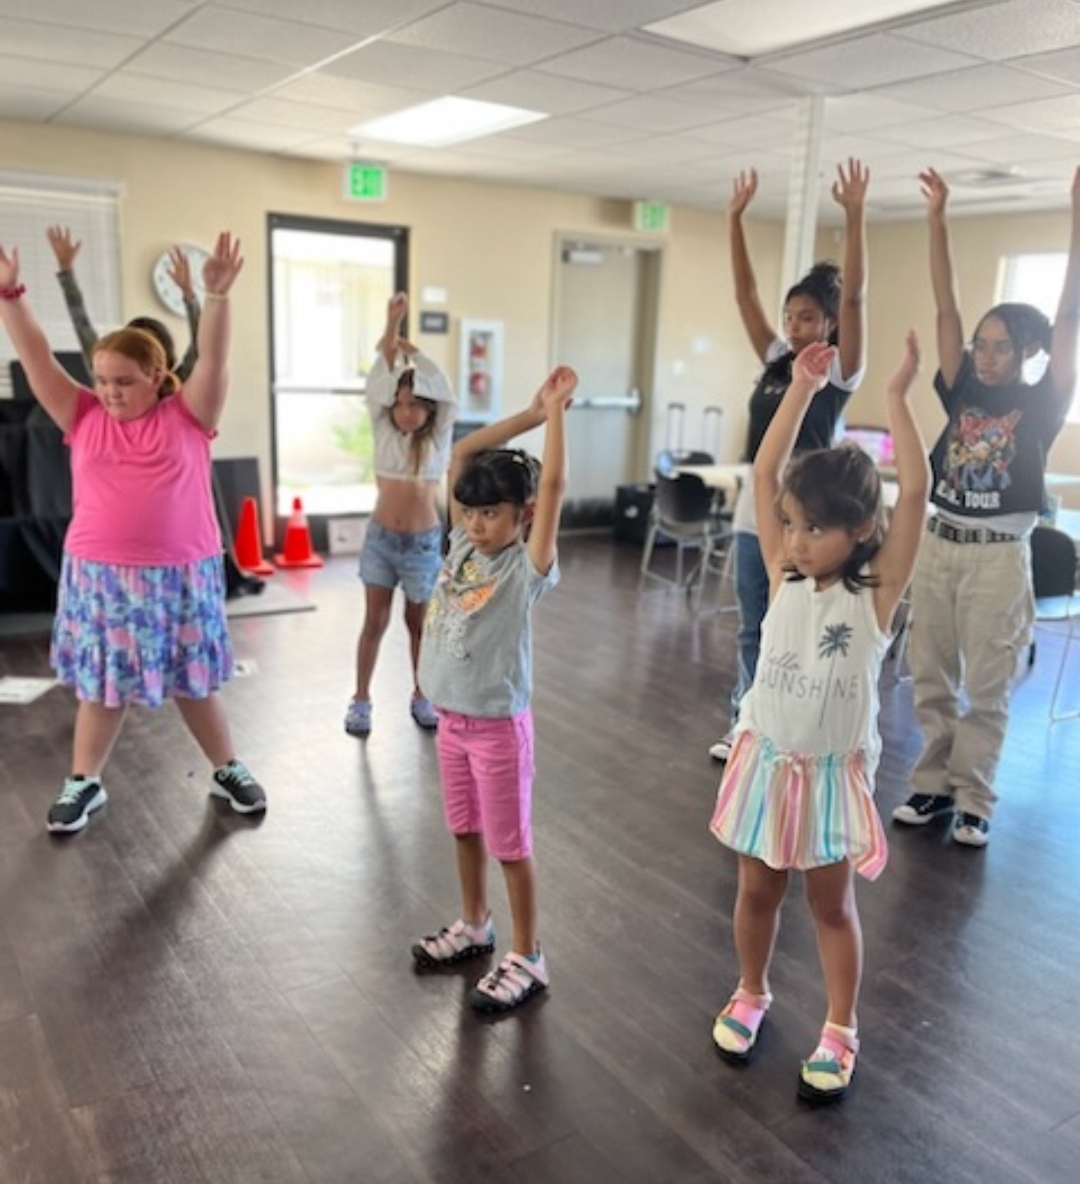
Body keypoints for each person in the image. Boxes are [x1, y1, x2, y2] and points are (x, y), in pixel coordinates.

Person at [709, 335, 930, 1102]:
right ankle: (751, 990)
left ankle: (841, 1027)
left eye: (812, 528)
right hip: (767, 761)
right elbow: (766, 472)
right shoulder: (783, 574)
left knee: (832, 906)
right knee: (756, 894)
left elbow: (919, 495)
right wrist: (801, 390)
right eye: (790, 526)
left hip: (830, 777)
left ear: (861, 527)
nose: (796, 542)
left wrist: (898, 398)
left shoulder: (874, 597)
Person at [0, 231, 267, 833]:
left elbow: (215, 359)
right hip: (101, 573)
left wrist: (217, 298)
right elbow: (39, 357)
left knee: (193, 683)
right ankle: (84, 781)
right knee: (104, 687)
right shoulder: (82, 415)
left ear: (156, 375)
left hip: (181, 570)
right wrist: (10, 294)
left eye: (122, 380)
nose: (109, 391)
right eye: (100, 379)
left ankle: (227, 768)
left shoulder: (191, 415)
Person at [892, 167, 1080, 847]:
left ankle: (975, 800)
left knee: (988, 687)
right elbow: (946, 305)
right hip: (940, 546)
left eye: (1002, 345)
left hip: (999, 557)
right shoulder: (963, 388)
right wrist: (938, 217)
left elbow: (1069, 317)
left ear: (1026, 352)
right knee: (929, 674)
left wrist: (1075, 215)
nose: (988, 354)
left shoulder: (1042, 400)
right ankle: (932, 786)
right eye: (982, 343)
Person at [410, 365, 577, 1013]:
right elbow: (461, 455)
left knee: (510, 845)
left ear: (524, 515)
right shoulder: (460, 544)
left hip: (498, 729)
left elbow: (555, 483)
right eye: (472, 512)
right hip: (452, 722)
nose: (477, 523)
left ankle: (529, 955)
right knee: (463, 831)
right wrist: (530, 413)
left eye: (491, 514)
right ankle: (476, 925)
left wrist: (558, 413)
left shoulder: (523, 567)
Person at [710, 160, 869, 763]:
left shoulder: (838, 372)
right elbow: (744, 295)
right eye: (791, 317)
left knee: (793, 631)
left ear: (828, 322)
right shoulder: (780, 361)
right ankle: (746, 720)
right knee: (753, 626)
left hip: (809, 521)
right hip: (758, 515)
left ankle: (793, 724)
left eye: (808, 318)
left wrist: (853, 214)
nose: (796, 328)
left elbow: (855, 293)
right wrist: (734, 219)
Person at [344, 292, 456, 738]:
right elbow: (376, 385)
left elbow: (444, 390)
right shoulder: (385, 432)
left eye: (416, 404)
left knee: (418, 624)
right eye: (401, 403)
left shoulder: (437, 437)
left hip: (423, 545)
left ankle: (421, 693)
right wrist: (392, 328)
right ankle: (361, 699)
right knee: (374, 622)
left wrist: (415, 353)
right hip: (382, 542)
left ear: (428, 409)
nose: (407, 411)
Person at [47, 226, 200, 380]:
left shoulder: (178, 386)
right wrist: (66, 272)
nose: (142, 355)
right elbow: (82, 325)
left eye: (149, 347)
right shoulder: (108, 378)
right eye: (135, 347)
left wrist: (189, 295)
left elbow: (200, 343)